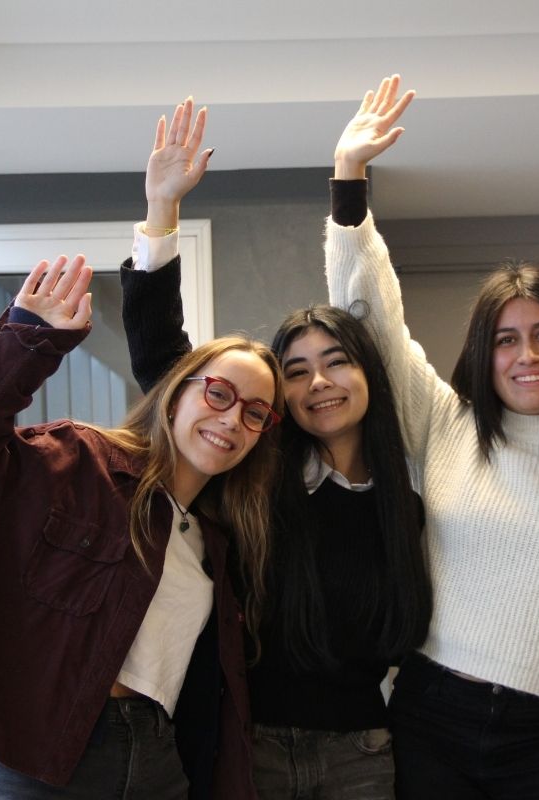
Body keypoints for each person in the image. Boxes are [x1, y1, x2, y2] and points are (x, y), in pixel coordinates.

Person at [120, 98, 433, 799]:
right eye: (296, 370)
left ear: (368, 374)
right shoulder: (254, 475)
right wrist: (160, 211)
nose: (319, 382)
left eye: (337, 362)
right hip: (247, 746)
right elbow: (163, 362)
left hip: (364, 751)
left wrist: (351, 174)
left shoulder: (404, 503)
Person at [323, 76, 539, 799]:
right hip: (434, 716)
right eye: (507, 340)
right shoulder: (448, 421)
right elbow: (372, 321)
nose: (528, 356)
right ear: (484, 353)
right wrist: (349, 179)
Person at [0, 253, 282, 798]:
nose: (232, 419)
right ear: (176, 391)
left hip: (155, 760)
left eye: (255, 413)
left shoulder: (215, 543)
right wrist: (27, 340)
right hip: (34, 755)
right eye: (218, 393)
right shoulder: (72, 461)